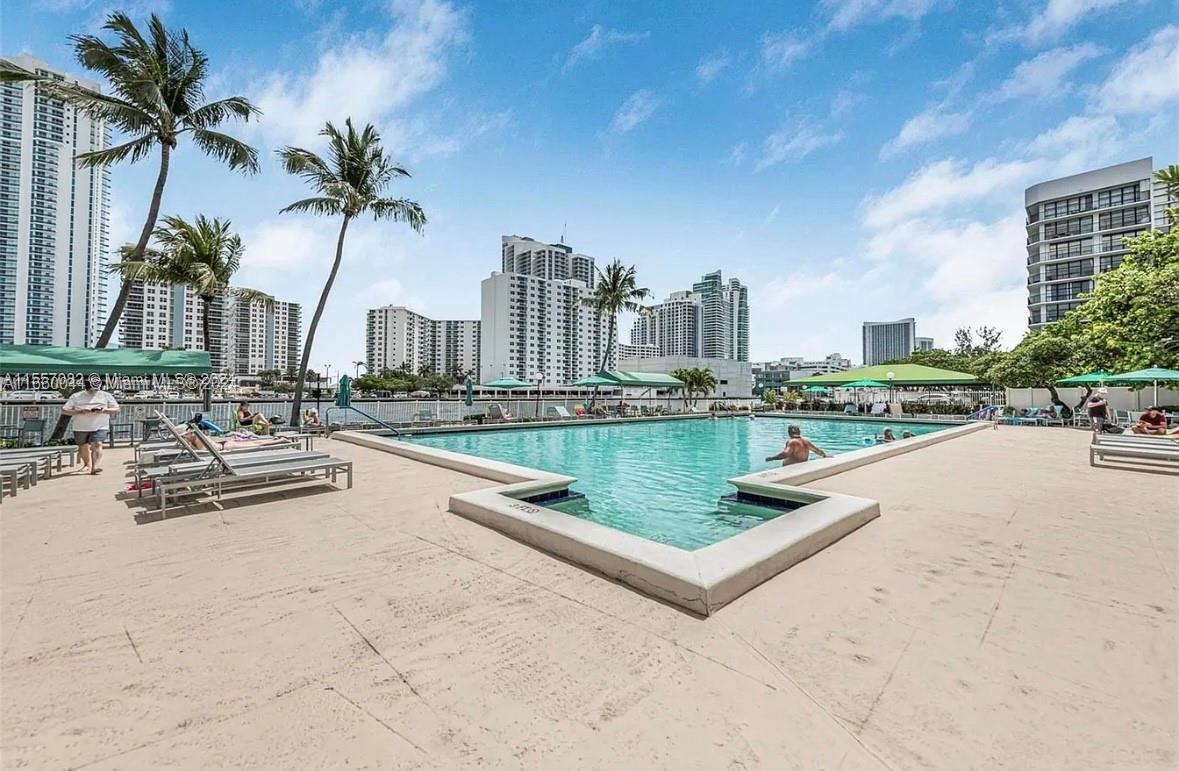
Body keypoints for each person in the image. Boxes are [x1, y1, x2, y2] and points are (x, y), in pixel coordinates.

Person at [62, 378, 119, 474]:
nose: (93, 391)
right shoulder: (76, 396)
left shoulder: (106, 395)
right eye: (91, 389)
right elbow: (64, 410)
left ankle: (95, 466)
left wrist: (104, 410)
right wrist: (80, 411)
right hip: (80, 426)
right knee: (83, 446)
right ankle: (87, 464)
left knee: (98, 444)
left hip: (100, 425)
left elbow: (116, 409)